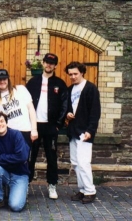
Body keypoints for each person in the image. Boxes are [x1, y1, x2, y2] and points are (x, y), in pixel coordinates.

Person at [26, 53, 68, 200]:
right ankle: (26, 183)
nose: (49, 65)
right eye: (47, 62)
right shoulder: (33, 82)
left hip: (50, 127)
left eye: (52, 63)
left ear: (55, 65)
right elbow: (25, 102)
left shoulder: (60, 84)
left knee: (51, 157)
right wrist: (28, 123)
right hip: (34, 125)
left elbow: (65, 105)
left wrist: (58, 125)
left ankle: (52, 185)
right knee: (30, 156)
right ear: (43, 63)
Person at [0, 69, 38, 183]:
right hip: (10, 134)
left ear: (8, 79)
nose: (2, 81)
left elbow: (31, 109)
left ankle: (24, 184)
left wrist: (34, 129)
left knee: (25, 159)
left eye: (4, 79)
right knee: (11, 159)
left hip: (25, 130)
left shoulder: (20, 89)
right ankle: (9, 184)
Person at [65, 61, 101, 204]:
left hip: (85, 131)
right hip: (73, 130)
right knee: (75, 162)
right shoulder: (69, 90)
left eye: (75, 74)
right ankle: (82, 190)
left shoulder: (90, 88)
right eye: (70, 74)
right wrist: (67, 114)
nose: (73, 77)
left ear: (82, 73)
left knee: (84, 162)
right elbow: (68, 108)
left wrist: (90, 130)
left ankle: (90, 191)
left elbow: (95, 111)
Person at [0, 112, 30, 212]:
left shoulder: (16, 134)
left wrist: (2, 157)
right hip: (4, 173)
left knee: (15, 206)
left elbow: (23, 157)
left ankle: (20, 188)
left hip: (20, 174)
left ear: (6, 123)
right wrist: (14, 159)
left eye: (2, 121)